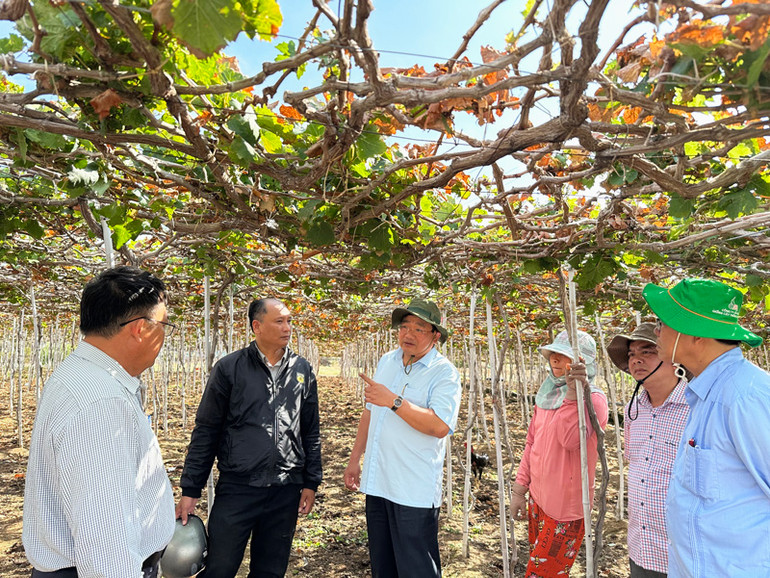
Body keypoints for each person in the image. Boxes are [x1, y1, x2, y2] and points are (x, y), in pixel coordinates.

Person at [23, 266, 176, 577]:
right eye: (164, 325)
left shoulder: (80, 376)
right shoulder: (101, 402)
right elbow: (106, 542)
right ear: (140, 329)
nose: (164, 336)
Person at [176, 297, 322, 578]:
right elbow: (207, 429)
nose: (287, 327)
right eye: (279, 321)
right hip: (238, 487)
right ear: (257, 326)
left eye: (289, 321)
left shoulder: (302, 369)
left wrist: (311, 481)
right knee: (220, 567)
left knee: (271, 570)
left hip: (285, 489)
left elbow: (310, 430)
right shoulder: (229, 368)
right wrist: (191, 489)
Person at [643, 278, 770, 577]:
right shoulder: (707, 393)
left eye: (663, 323)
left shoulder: (744, 397)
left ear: (695, 333)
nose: (656, 332)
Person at [344, 298, 461, 578]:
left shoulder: (444, 373)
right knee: (383, 566)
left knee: (416, 568)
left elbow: (440, 426)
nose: (409, 334)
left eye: (419, 328)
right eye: (405, 326)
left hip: (412, 489)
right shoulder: (387, 361)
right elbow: (369, 412)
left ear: (435, 336)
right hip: (378, 482)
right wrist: (354, 459)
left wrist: (394, 401)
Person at [511, 329, 609, 578]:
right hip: (538, 500)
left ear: (583, 363)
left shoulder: (593, 400)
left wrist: (574, 394)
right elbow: (532, 443)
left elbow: (569, 440)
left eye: (564, 355)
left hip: (565, 511)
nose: (555, 359)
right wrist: (520, 490)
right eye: (553, 353)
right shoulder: (547, 395)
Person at [607, 323, 688, 578]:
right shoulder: (633, 410)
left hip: (684, 554)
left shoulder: (698, 408)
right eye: (631, 354)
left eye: (648, 351)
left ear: (674, 358)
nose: (636, 360)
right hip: (641, 547)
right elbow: (637, 464)